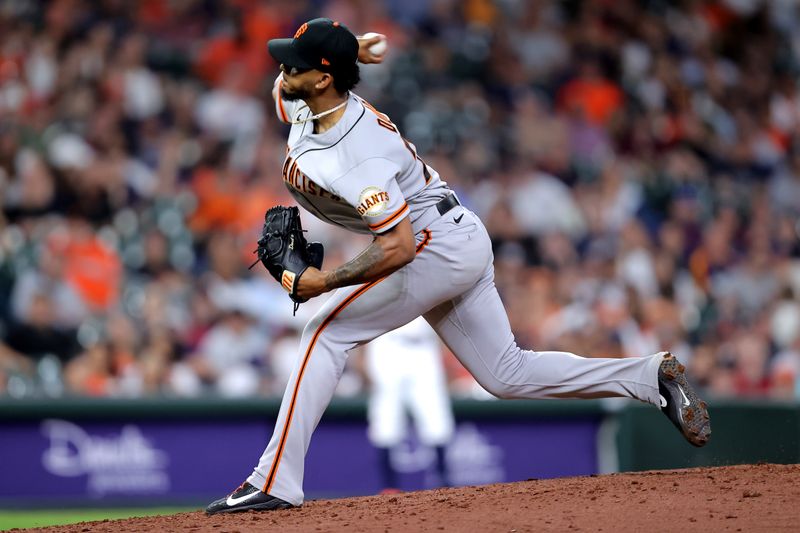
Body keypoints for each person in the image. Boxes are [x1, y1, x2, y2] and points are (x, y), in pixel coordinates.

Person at [205, 18, 711, 514]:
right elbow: (296, 81)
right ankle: (649, 377)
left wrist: (325, 280)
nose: (282, 72)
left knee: (323, 331)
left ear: (322, 80)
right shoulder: (307, 96)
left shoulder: (360, 159)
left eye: (294, 67)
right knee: (505, 374)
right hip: (455, 233)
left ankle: (274, 480)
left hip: (433, 242)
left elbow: (398, 247)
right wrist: (351, 47)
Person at [364, 317, 454, 492]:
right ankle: (389, 486)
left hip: (424, 346)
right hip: (387, 344)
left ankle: (443, 482)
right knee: (386, 416)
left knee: (435, 414)